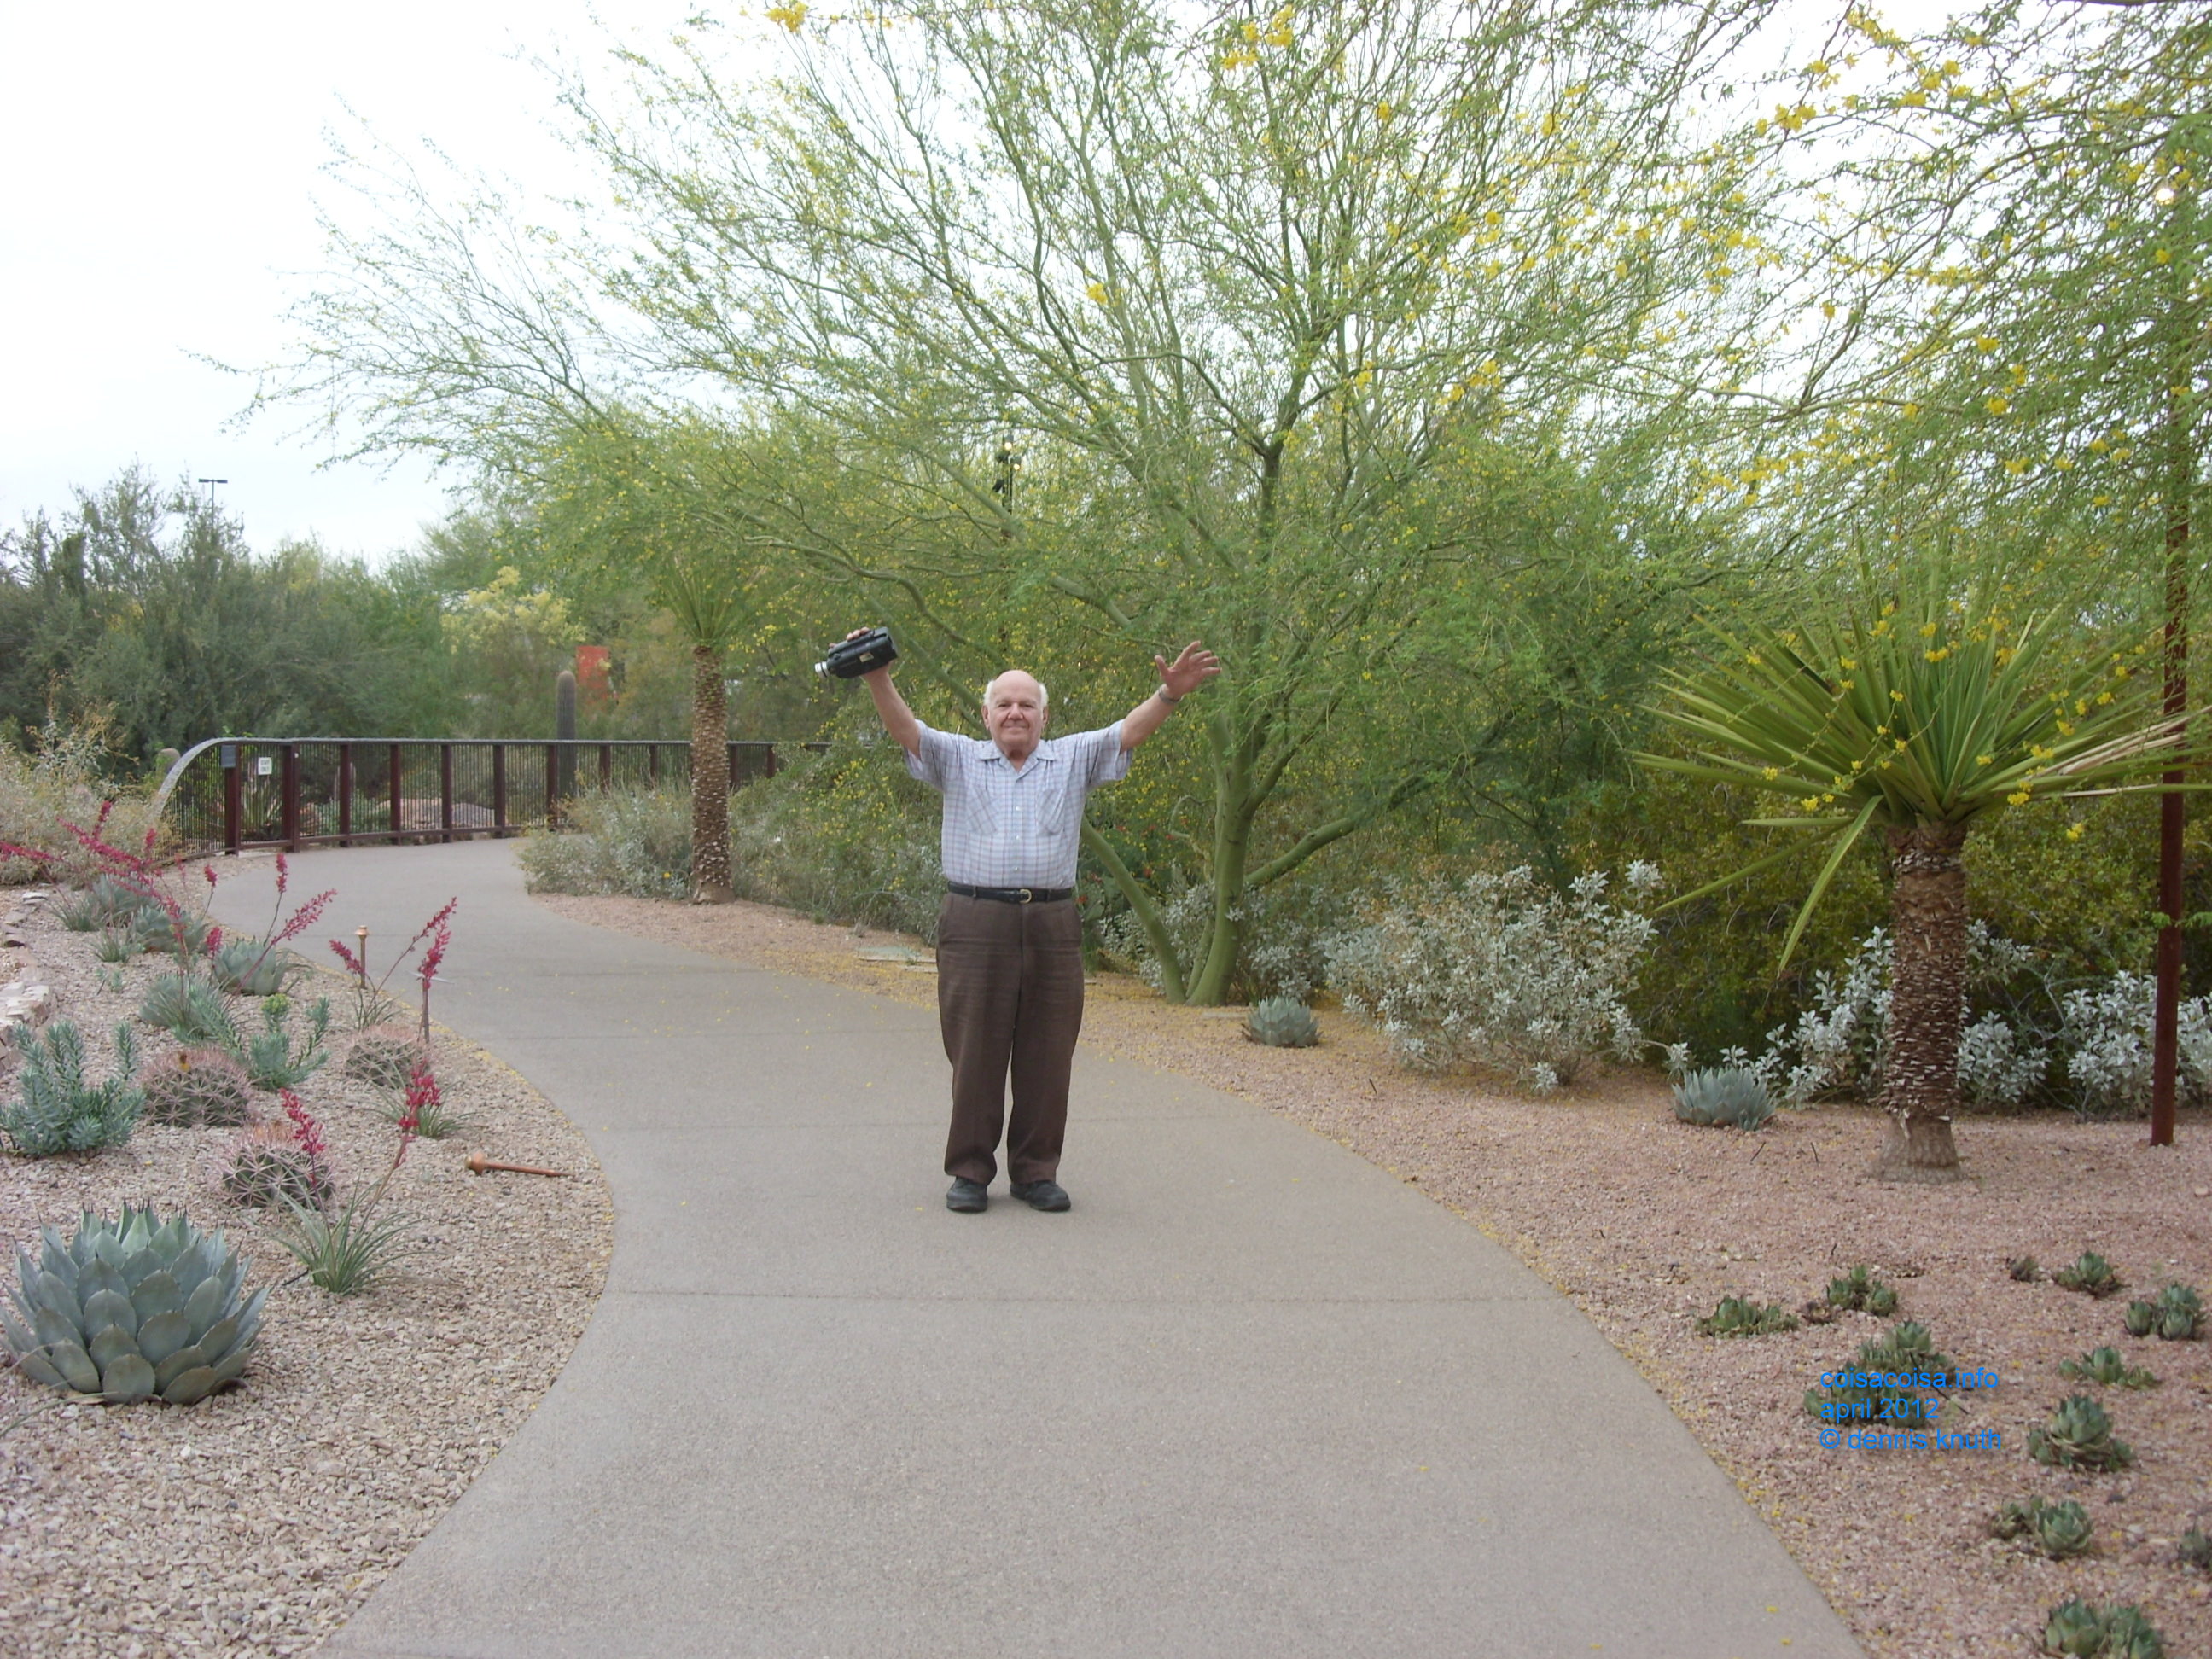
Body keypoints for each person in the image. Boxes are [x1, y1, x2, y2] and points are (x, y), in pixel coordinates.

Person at [854, 636, 1220, 1213]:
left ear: (1045, 716)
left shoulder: (1071, 758)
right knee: (974, 1051)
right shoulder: (957, 758)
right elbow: (907, 732)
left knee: (1048, 1054)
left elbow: (1128, 732)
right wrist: (877, 676)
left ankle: (1035, 1171)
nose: (1015, 713)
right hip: (974, 921)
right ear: (986, 715)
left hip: (1052, 923)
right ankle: (970, 1172)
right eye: (1004, 704)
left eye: (1026, 704)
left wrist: (1168, 695)